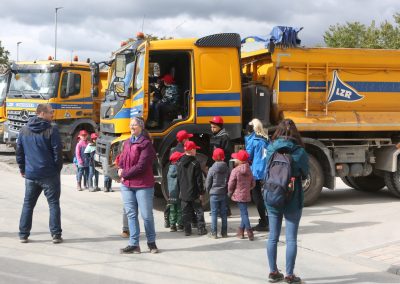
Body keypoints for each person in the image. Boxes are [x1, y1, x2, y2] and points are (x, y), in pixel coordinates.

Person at [265, 119, 309, 284]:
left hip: (272, 195)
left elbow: (265, 171)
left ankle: (273, 272)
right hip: (292, 196)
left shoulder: (270, 148)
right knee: (291, 238)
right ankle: (289, 275)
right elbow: (304, 173)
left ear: (278, 131)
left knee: (272, 236)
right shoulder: (299, 152)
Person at [16, 103, 63, 244]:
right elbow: (57, 152)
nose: (52, 114)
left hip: (31, 174)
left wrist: (23, 169)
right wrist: (56, 169)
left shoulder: (24, 130)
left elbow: (19, 152)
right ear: (41, 113)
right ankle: (56, 235)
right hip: (49, 174)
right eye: (50, 112)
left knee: (28, 204)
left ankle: (23, 234)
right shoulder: (51, 129)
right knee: (53, 204)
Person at [118, 117, 159, 254]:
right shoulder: (127, 142)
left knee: (147, 215)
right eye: (130, 125)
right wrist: (120, 167)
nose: (131, 127)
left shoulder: (146, 144)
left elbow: (141, 166)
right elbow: (122, 158)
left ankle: (151, 243)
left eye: (134, 125)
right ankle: (134, 244)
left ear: (141, 127)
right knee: (131, 214)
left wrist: (124, 173)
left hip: (143, 185)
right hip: (127, 185)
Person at [163, 129, 194, 228]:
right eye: (188, 138)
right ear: (184, 139)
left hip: (171, 183)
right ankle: (181, 223)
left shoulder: (173, 150)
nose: (189, 139)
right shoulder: (185, 152)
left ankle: (168, 221)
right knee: (181, 203)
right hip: (182, 180)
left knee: (171, 201)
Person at [177, 141, 207, 236]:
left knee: (185, 212)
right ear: (192, 150)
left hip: (184, 192)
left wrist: (180, 190)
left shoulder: (179, 162)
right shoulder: (195, 163)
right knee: (199, 211)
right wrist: (201, 192)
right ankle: (201, 229)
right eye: (195, 149)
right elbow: (199, 180)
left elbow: (178, 178)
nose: (196, 151)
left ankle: (187, 230)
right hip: (194, 192)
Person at [245, 118, 270, 232]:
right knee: (266, 197)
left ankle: (263, 222)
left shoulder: (253, 140)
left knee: (257, 197)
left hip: (256, 172)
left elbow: (248, 157)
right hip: (267, 171)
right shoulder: (266, 139)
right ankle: (268, 220)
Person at [227, 150, 255, 241]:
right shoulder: (249, 169)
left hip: (238, 195)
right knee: (244, 212)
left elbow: (231, 183)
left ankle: (249, 232)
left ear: (239, 160)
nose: (234, 160)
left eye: (235, 158)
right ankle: (240, 232)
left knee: (244, 214)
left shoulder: (235, 170)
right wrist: (248, 189)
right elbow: (253, 183)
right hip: (246, 194)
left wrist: (230, 192)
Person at [208, 116, 233, 216]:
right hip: (214, 165)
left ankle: (226, 210)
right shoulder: (214, 136)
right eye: (211, 127)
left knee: (222, 188)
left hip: (222, 167)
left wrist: (220, 164)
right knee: (216, 188)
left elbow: (228, 153)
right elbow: (211, 152)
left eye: (214, 127)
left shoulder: (225, 137)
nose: (212, 129)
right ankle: (217, 209)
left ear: (220, 127)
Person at [206, 148, 230, 239]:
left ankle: (214, 233)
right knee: (224, 213)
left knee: (214, 213)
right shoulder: (227, 168)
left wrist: (208, 190)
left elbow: (208, 181)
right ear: (223, 157)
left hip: (214, 194)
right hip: (223, 193)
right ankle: (224, 232)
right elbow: (229, 180)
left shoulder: (212, 169)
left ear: (213, 158)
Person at [167, 151, 185, 232]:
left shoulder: (169, 170)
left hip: (171, 193)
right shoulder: (179, 170)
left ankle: (172, 225)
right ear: (177, 161)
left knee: (172, 209)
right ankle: (180, 224)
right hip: (178, 193)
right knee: (179, 209)